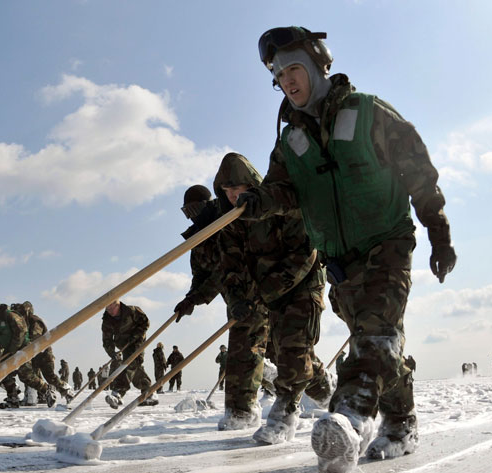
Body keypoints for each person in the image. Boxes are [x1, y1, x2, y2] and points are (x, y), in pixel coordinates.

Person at [241, 26, 456, 473]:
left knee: (374, 336)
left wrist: (438, 231)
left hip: (387, 241)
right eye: (278, 76)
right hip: (340, 261)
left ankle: (349, 421)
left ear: (318, 64)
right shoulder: (291, 142)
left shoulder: (367, 112)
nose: (287, 80)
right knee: (380, 341)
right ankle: (401, 423)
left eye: (293, 68)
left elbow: (417, 169)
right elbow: (282, 190)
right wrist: (259, 201)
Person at [215, 153, 333, 444]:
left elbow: (305, 252)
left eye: (237, 189)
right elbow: (230, 267)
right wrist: (236, 298)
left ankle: (284, 415)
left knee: (294, 347)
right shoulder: (229, 222)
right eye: (227, 191)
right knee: (280, 353)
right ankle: (326, 390)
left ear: (251, 185)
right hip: (266, 291)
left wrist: (267, 291)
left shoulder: (277, 204)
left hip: (301, 282)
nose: (232, 196)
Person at [174, 184, 268, 430]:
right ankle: (241, 412)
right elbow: (201, 275)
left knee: (268, 353)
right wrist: (189, 299)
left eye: (195, 209)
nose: (191, 216)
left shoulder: (229, 220)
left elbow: (221, 271)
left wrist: (198, 297)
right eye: (186, 212)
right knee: (245, 353)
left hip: (255, 295)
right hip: (235, 302)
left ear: (208, 204)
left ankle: (316, 389)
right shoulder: (198, 237)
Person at [0, 297, 56, 408]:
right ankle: (13, 398)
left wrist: (13, 349)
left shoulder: (9, 315)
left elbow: (21, 332)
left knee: (25, 374)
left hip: (22, 348)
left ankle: (47, 390)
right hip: (9, 350)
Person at [10, 301, 72, 403]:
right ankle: (36, 397)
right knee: (30, 376)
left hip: (43, 355)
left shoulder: (35, 321)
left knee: (50, 377)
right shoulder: (23, 323)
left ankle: (67, 391)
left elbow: (35, 337)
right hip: (32, 355)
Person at [102, 300, 157, 408]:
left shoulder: (131, 311)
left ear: (117, 305)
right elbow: (107, 339)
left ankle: (118, 392)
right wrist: (112, 353)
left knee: (130, 363)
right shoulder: (107, 320)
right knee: (134, 366)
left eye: (111, 308)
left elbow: (145, 322)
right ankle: (149, 392)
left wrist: (136, 335)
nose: (110, 311)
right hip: (124, 345)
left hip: (137, 342)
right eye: (107, 309)